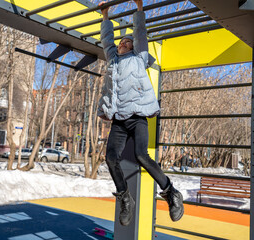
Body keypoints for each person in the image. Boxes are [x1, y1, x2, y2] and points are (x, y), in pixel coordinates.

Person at [97, 0, 184, 226]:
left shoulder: (139, 57)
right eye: (121, 41)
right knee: (110, 158)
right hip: (119, 119)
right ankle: (125, 197)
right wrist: (105, 16)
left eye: (127, 41)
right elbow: (107, 40)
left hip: (137, 117)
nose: (122, 43)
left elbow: (140, 33)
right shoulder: (113, 61)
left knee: (141, 155)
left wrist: (139, 8)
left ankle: (171, 193)